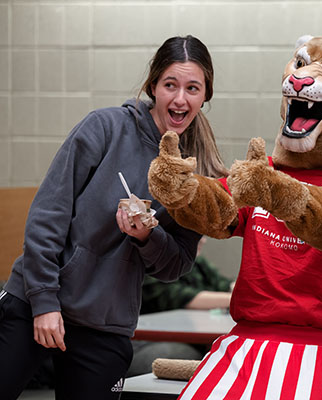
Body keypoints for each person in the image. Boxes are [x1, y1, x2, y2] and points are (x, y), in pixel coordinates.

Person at [0, 35, 228, 400]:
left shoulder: (197, 174)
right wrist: (44, 302)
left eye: (192, 88)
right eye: (170, 85)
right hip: (36, 301)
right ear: (153, 86)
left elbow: (176, 265)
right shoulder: (105, 128)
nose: (180, 98)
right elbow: (47, 216)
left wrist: (146, 237)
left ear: (206, 96)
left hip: (106, 324)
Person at [127, 237, 233, 377]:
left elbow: (224, 285)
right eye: (198, 235)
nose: (204, 240)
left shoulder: (196, 260)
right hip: (148, 340)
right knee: (198, 357)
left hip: (190, 336)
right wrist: (237, 298)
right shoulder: (151, 260)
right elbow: (180, 298)